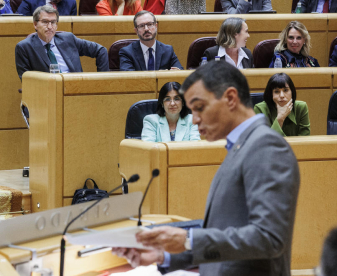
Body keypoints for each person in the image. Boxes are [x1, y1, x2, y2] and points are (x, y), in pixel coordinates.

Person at [113, 61, 300, 276]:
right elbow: (226, 231)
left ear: (230, 98)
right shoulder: (241, 146)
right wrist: (163, 256)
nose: (194, 120)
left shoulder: (266, 146)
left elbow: (269, 238)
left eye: (200, 108)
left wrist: (187, 240)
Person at [15, 6, 109, 80]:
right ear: (35, 24)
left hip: (76, 90)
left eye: (53, 22)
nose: (49, 26)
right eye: (45, 22)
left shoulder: (68, 39)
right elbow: (26, 79)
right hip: (47, 95)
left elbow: (101, 50)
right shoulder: (24, 47)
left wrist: (102, 80)